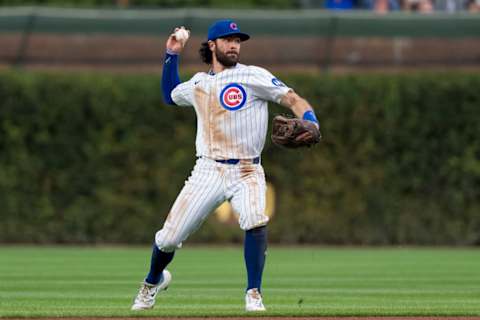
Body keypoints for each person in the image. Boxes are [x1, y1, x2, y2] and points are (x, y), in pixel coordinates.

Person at [131, 19, 320, 312]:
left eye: (238, 40)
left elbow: (293, 99)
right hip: (208, 170)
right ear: (212, 45)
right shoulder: (198, 83)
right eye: (228, 39)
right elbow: (169, 95)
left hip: (247, 170)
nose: (234, 44)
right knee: (168, 239)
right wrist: (171, 54)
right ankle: (151, 283)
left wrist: (312, 120)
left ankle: (253, 293)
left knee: (256, 220)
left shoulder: (254, 76)